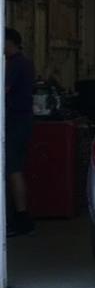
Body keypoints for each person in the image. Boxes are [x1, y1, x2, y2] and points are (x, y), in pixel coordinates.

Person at [4, 27, 36, 238]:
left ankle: (21, 218)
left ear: (10, 42)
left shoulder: (15, 64)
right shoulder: (24, 62)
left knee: (13, 169)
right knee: (14, 169)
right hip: (22, 121)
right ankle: (19, 217)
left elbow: (3, 90)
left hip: (16, 122)